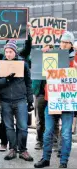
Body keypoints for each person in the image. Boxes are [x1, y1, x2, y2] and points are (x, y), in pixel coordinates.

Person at [34, 31, 75, 168]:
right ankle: (45, 159)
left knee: (66, 134)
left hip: (67, 102)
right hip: (51, 100)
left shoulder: (75, 58)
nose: (63, 44)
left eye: (66, 42)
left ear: (71, 44)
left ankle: (63, 162)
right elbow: (33, 63)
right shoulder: (52, 55)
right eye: (62, 41)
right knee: (48, 132)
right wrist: (41, 53)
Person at [0, 40, 34, 161]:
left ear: (15, 52)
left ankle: (23, 150)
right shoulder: (0, 64)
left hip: (20, 99)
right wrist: (6, 79)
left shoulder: (23, 64)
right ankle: (12, 149)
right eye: (6, 52)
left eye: (10, 51)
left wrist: (30, 100)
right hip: (5, 100)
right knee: (9, 127)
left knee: (23, 127)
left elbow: (28, 83)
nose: (8, 54)